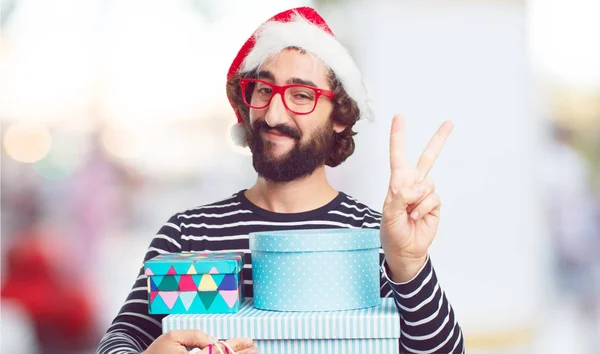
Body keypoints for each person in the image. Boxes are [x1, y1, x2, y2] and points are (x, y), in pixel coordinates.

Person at [97, 7, 464, 354]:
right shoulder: (188, 235)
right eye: (263, 90)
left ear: (339, 113)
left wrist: (410, 263)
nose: (273, 114)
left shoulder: (374, 237)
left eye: (301, 95)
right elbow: (119, 339)